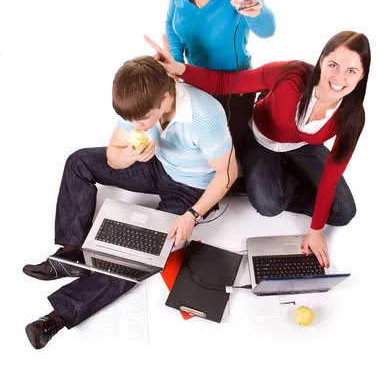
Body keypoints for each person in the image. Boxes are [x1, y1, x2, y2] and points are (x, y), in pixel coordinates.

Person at [22, 56, 237, 349]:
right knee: (79, 162)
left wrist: (192, 214)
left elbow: (228, 174)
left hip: (191, 190)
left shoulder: (204, 115)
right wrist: (130, 157)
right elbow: (114, 153)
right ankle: (71, 255)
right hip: (155, 165)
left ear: (165, 96)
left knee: (142, 253)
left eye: (141, 120)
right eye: (131, 120)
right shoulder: (137, 100)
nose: (136, 125)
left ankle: (58, 317)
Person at [146, 31, 371, 269]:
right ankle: (273, 183)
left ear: (362, 75)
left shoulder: (353, 116)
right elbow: (226, 83)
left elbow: (331, 176)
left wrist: (316, 230)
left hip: (303, 146)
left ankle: (280, 180)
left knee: (344, 212)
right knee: (268, 204)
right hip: (260, 138)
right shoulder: (292, 75)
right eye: (333, 65)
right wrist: (180, 69)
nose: (339, 77)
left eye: (351, 71)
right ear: (322, 60)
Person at [165, 0, 276, 147]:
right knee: (186, 149)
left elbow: (267, 30)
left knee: (221, 158)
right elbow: (172, 27)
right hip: (194, 82)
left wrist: (256, 11)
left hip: (233, 89)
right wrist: (175, 67)